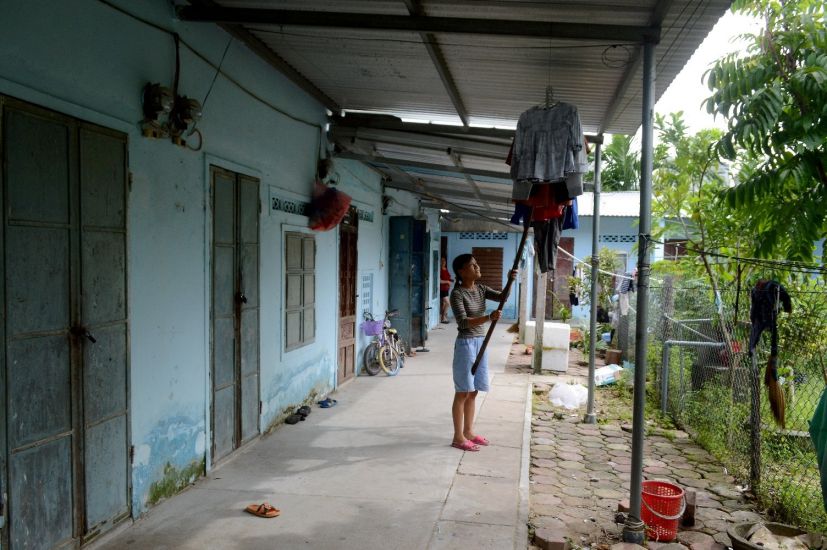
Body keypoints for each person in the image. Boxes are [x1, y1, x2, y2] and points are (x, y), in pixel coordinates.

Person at [449, 253, 516, 452]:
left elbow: (502, 297)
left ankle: (469, 431)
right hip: (466, 345)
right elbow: (462, 322)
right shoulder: (457, 294)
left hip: (481, 342)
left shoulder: (480, 289)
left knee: (474, 391)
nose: (477, 267)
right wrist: (488, 317)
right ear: (461, 271)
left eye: (477, 263)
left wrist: (510, 280)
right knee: (462, 391)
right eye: (472, 265)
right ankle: (457, 437)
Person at [439, 257, 453, 323]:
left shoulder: (445, 269)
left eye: (444, 260)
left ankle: (443, 318)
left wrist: (451, 280)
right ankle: (443, 317)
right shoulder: (439, 270)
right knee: (448, 303)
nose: (443, 262)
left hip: (446, 289)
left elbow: (447, 278)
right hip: (442, 289)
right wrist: (447, 281)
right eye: (442, 260)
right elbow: (439, 281)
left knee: (444, 304)